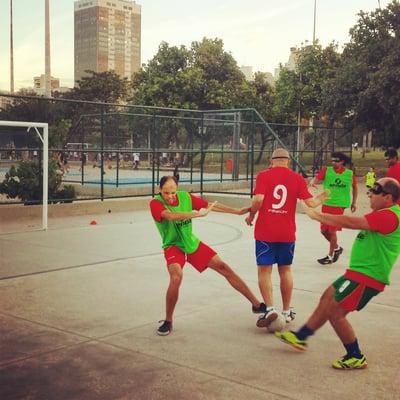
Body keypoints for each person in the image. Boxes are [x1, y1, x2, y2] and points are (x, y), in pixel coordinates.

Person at [276, 178, 400, 370]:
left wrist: (319, 216)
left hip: (368, 277)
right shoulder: (385, 213)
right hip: (357, 273)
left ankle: (355, 355)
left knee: (336, 312)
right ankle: (301, 337)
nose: (369, 194)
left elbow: (351, 221)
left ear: (388, 197)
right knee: (327, 298)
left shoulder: (389, 216)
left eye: (375, 191)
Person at [150, 175, 266, 336]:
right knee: (176, 276)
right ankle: (168, 320)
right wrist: (195, 214)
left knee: (224, 267)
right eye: (166, 193)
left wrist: (237, 211)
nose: (170, 196)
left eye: (173, 192)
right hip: (173, 246)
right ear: (159, 190)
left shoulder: (185, 197)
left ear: (177, 189)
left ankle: (256, 304)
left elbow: (210, 206)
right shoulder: (155, 203)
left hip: (191, 243)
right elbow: (170, 216)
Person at [245, 148, 329, 327]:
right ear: (289, 161)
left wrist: (252, 214)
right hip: (287, 233)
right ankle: (286, 310)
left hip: (265, 232)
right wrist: (322, 197)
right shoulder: (297, 178)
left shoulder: (263, 176)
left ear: (271, 160)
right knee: (285, 269)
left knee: (264, 270)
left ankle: (269, 309)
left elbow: (258, 200)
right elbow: (311, 203)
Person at [309, 152, 358, 265]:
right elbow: (317, 179)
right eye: (333, 160)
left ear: (342, 162)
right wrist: (312, 182)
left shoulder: (349, 174)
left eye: (336, 161)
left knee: (332, 231)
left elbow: (355, 188)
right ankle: (337, 248)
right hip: (327, 203)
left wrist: (354, 202)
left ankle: (330, 256)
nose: (334, 163)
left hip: (339, 205)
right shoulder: (327, 170)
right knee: (323, 231)